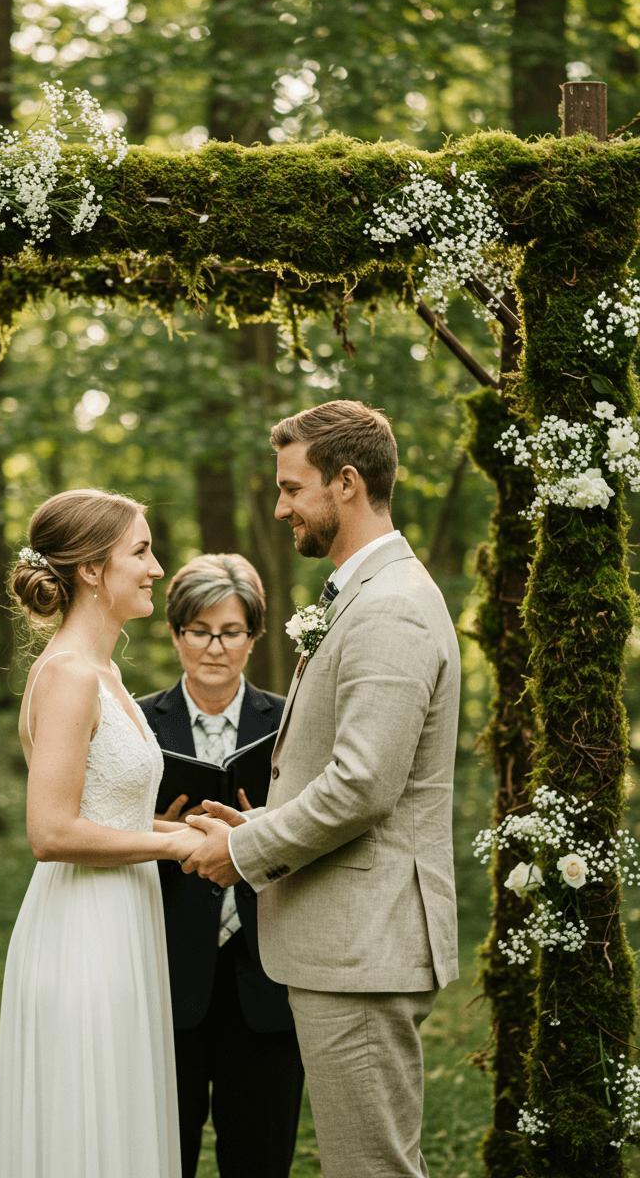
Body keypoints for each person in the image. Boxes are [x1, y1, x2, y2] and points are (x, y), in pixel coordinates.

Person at [184, 400, 460, 1178]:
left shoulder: (393, 609)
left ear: (346, 482)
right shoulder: (368, 595)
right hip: (349, 941)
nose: (280, 507)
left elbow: (364, 785)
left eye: (292, 487)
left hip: (365, 944)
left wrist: (242, 848)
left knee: (370, 1168)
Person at [0, 488, 205, 1178]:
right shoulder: (71, 676)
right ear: (90, 571)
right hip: (83, 929)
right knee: (87, 1125)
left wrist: (169, 825)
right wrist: (171, 845)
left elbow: (100, 811)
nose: (157, 567)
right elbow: (50, 830)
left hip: (124, 917)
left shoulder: (106, 673)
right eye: (140, 551)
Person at [138, 554, 305, 1178]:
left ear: (254, 636)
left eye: (230, 631)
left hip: (266, 977)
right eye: (199, 630)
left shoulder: (291, 719)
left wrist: (264, 827)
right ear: (176, 632)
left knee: (260, 1162)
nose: (214, 646)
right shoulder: (135, 723)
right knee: (160, 1158)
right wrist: (160, 831)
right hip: (164, 976)